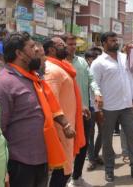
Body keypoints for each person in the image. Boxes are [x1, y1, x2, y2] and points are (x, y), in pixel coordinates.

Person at [0, 32, 74, 187]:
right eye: (32, 47)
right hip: (19, 164)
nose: (38, 50)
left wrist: (64, 124)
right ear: (19, 54)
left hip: (41, 160)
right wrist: (3, 170)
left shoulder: (34, 78)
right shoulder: (3, 84)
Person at [90, 32, 133, 183]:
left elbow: (132, 78)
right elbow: (93, 84)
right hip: (108, 108)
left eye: (117, 40)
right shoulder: (99, 63)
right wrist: (97, 110)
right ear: (104, 43)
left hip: (127, 105)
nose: (116, 42)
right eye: (112, 40)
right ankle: (109, 170)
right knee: (107, 140)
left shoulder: (124, 58)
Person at [43, 36, 86, 187]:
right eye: (61, 45)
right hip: (61, 128)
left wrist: (80, 108)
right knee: (61, 171)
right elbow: (50, 102)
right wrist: (63, 126)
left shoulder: (61, 66)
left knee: (64, 169)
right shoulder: (51, 70)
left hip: (67, 125)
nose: (66, 47)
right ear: (51, 50)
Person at [62, 35, 93, 187]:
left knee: (82, 145)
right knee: (66, 147)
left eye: (74, 44)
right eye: (69, 44)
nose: (72, 47)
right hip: (65, 114)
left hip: (83, 112)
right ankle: (63, 180)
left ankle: (77, 177)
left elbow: (92, 80)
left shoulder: (82, 62)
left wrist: (97, 92)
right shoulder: (57, 64)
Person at [84, 49, 104, 171]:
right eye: (93, 58)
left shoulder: (101, 69)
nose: (95, 60)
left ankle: (95, 155)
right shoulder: (84, 70)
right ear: (88, 59)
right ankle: (91, 159)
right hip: (89, 106)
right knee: (90, 135)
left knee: (103, 132)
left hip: (101, 105)